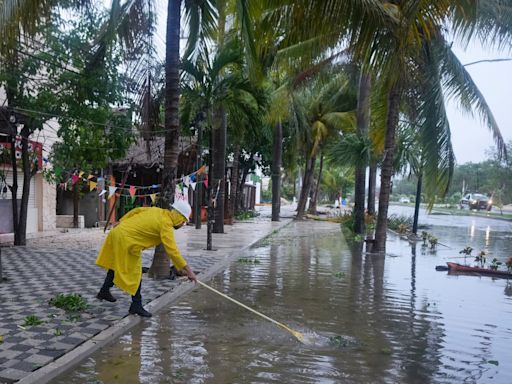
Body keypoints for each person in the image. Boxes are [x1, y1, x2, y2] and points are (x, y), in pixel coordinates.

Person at [95, 200, 197, 317]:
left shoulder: (158, 211)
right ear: (179, 217)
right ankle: (136, 305)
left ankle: (104, 291)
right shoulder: (166, 225)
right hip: (127, 240)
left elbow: (136, 211)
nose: (183, 224)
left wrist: (121, 221)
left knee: (117, 264)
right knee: (136, 273)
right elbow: (172, 251)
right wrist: (189, 271)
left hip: (118, 233)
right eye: (183, 221)